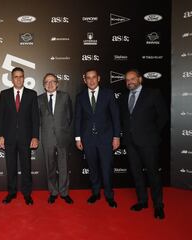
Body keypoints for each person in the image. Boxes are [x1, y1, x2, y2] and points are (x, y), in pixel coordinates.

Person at [120, 69, 168, 219]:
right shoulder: (123, 97)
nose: (130, 82)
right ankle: (142, 200)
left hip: (149, 142)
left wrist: (152, 133)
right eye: (127, 80)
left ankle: (158, 205)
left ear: (140, 79)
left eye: (132, 79)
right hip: (130, 141)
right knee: (136, 173)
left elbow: (163, 116)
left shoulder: (153, 93)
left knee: (153, 173)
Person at [74, 69, 120, 208]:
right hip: (88, 139)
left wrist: (116, 136)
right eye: (88, 78)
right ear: (84, 80)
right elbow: (78, 119)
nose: (91, 80)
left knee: (106, 168)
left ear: (99, 78)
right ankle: (95, 193)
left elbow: (115, 116)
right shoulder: (80, 96)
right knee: (93, 168)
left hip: (106, 138)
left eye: (94, 77)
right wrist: (77, 138)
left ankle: (109, 195)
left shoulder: (108, 94)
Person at [0, 67, 39, 205]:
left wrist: (35, 136)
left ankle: (27, 194)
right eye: (15, 77)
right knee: (11, 167)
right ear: (12, 78)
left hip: (26, 137)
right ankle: (11, 192)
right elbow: (1, 117)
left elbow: (35, 118)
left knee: (26, 167)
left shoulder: (32, 94)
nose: (18, 79)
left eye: (21, 76)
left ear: (24, 77)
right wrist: (1, 135)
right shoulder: (4, 94)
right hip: (8, 137)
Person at [38, 73, 74, 204]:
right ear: (43, 85)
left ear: (57, 83)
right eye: (47, 82)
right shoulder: (39, 99)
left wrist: (65, 132)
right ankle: (53, 191)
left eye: (52, 81)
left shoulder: (65, 97)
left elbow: (70, 117)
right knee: (50, 166)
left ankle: (64, 192)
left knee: (64, 166)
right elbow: (38, 120)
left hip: (63, 137)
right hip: (47, 139)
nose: (50, 84)